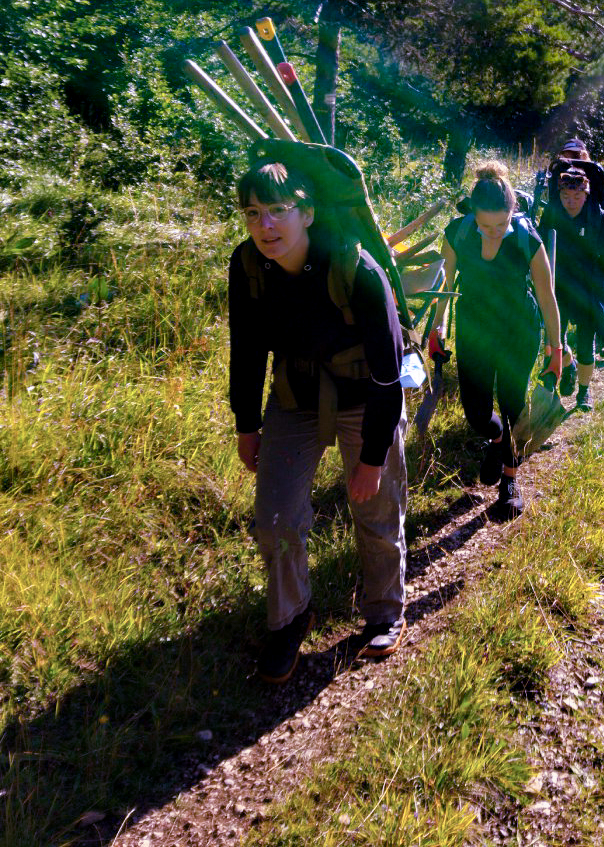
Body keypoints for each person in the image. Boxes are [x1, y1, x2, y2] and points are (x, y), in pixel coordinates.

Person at [229, 160, 409, 683]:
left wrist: (373, 457)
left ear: (306, 213)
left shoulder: (357, 270)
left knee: (375, 508)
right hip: (295, 395)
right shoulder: (248, 267)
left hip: (366, 396)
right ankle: (290, 619)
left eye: (279, 211)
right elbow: (246, 350)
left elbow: (387, 378)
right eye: (253, 213)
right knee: (276, 516)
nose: (266, 226)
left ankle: (383, 611)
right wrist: (247, 423)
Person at [431, 162, 560, 520]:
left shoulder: (525, 237)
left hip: (519, 330)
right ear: (472, 214)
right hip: (474, 328)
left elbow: (547, 297)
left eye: (500, 225)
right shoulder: (457, 232)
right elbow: (444, 285)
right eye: (484, 226)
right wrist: (436, 327)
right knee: (475, 411)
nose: (492, 233)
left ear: (512, 213)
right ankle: (499, 441)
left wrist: (556, 349)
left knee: (513, 405)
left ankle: (510, 479)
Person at [539, 167, 604, 412]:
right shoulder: (552, 214)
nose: (570, 203)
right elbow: (538, 251)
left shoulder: (597, 217)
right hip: (559, 287)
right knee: (555, 341)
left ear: (586, 195)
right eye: (565, 197)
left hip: (590, 288)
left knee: (586, 342)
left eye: (576, 197)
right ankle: (566, 365)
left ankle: (584, 392)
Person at [548, 138, 604, 231]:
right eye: (568, 158)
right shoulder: (558, 175)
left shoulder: (600, 176)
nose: (572, 161)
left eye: (575, 156)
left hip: (594, 227)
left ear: (584, 155)